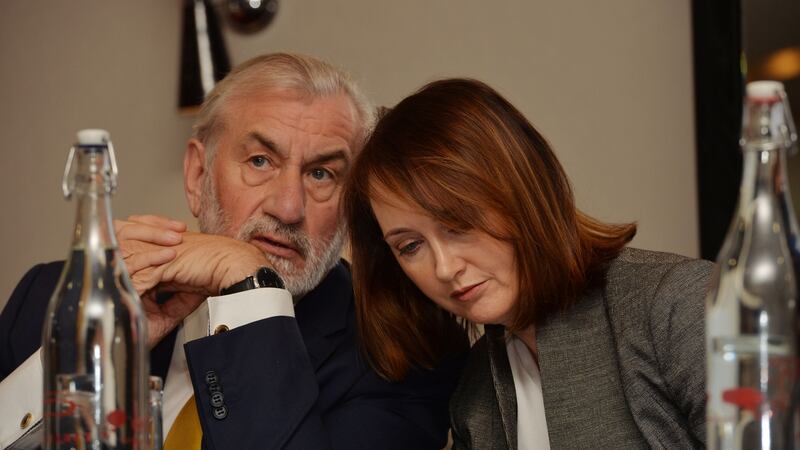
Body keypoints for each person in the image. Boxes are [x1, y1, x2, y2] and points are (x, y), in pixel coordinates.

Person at [0, 53, 467, 449]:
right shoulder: (49, 298)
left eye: (322, 174)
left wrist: (249, 283)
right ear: (197, 176)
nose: (288, 208)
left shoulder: (405, 355)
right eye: (260, 161)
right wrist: (86, 361)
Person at [343, 78, 711, 449]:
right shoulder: (475, 393)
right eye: (409, 246)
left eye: (457, 225)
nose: (444, 268)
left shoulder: (678, 305)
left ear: (520, 193)